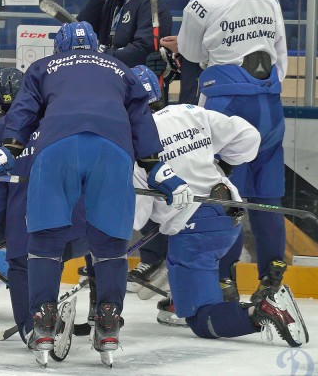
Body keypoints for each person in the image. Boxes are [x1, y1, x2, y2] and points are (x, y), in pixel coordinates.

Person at [0, 21, 194, 367]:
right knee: (110, 245)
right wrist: (157, 168)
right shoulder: (121, 68)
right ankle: (108, 316)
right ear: (95, 48)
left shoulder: (42, 67)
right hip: (113, 151)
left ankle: (42, 317)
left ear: (59, 48)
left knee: (44, 242)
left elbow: (23, 112)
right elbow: (141, 118)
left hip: (57, 147)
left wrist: (4, 153)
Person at [131, 65, 308, 347]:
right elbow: (248, 136)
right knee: (194, 276)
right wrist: (223, 166)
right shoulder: (187, 111)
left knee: (203, 320)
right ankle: (187, 295)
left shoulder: (136, 142)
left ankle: (260, 310)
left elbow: (136, 219)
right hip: (228, 215)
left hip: (195, 232)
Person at [160, 0, 289, 301]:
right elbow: (279, 52)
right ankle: (272, 271)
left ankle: (222, 278)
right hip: (270, 106)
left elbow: (191, 53)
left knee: (223, 192)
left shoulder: (200, 4)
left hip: (228, 103)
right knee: (267, 195)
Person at [0, 67, 89, 361]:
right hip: (73, 216)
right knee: (65, 256)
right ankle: (103, 316)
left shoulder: (0, 129)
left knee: (24, 265)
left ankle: (34, 327)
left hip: (25, 219)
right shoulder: (65, 121)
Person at [129, 0, 209, 300]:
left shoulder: (212, 11)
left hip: (204, 121)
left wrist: (193, 49)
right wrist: (175, 60)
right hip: (185, 111)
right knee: (161, 183)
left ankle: (186, 282)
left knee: (194, 201)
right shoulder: (197, 12)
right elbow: (190, 69)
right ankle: (157, 261)